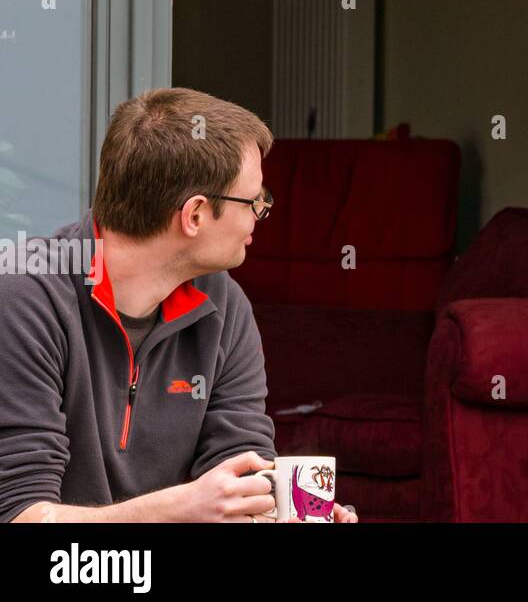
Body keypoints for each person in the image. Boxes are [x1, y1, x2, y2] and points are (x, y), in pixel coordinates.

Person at [0, 87, 357, 523]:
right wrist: (177, 509)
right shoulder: (22, 299)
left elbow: (238, 464)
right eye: (254, 200)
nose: (261, 213)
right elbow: (20, 513)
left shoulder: (224, 306)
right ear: (195, 215)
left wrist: (278, 509)